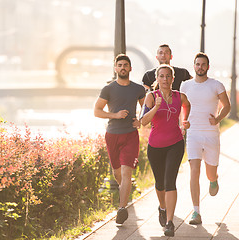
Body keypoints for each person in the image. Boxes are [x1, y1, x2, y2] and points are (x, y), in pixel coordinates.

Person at [94, 54, 146, 224]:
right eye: (120, 65)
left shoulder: (138, 89)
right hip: (112, 135)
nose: (123, 67)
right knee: (118, 173)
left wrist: (140, 121)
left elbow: (146, 108)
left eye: (126, 65)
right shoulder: (108, 89)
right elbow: (97, 111)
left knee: (126, 171)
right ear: (115, 68)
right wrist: (115, 115)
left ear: (130, 68)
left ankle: (121, 208)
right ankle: (126, 192)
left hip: (130, 135)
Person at [180, 52, 231, 225]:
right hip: (193, 133)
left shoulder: (216, 85)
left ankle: (214, 179)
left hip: (211, 134)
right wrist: (183, 122)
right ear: (193, 66)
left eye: (203, 64)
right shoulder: (185, 86)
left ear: (207, 67)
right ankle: (196, 212)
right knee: (194, 171)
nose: (200, 67)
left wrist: (217, 119)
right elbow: (183, 108)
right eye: (197, 64)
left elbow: (227, 106)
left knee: (210, 172)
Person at [140, 64, 190, 237]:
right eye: (161, 76)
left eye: (168, 76)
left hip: (175, 143)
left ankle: (169, 222)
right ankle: (162, 207)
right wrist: (155, 107)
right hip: (155, 147)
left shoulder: (180, 96)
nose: (165, 79)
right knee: (160, 183)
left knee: (170, 182)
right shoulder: (151, 97)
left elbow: (187, 106)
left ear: (173, 79)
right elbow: (143, 121)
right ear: (157, 79)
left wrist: (185, 121)